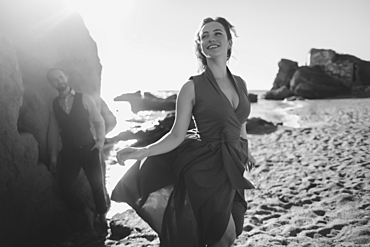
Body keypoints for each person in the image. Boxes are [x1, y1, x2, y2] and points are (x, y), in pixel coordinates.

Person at [112, 17, 256, 247]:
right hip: (204, 167)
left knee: (229, 232)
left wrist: (245, 150)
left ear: (229, 42)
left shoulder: (241, 83)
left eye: (217, 33)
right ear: (200, 46)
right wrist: (141, 152)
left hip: (232, 165)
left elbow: (241, 123)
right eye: (204, 36)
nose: (210, 39)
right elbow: (177, 134)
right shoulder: (191, 87)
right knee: (223, 236)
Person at [46, 68, 109, 230]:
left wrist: (99, 144)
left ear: (66, 76)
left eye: (61, 76)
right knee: (65, 188)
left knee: (97, 186)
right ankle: (87, 212)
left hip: (90, 149)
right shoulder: (53, 105)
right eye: (55, 79)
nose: (59, 81)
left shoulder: (85, 99)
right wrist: (53, 157)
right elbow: (53, 132)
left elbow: (99, 122)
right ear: (51, 83)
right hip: (69, 153)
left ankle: (102, 217)